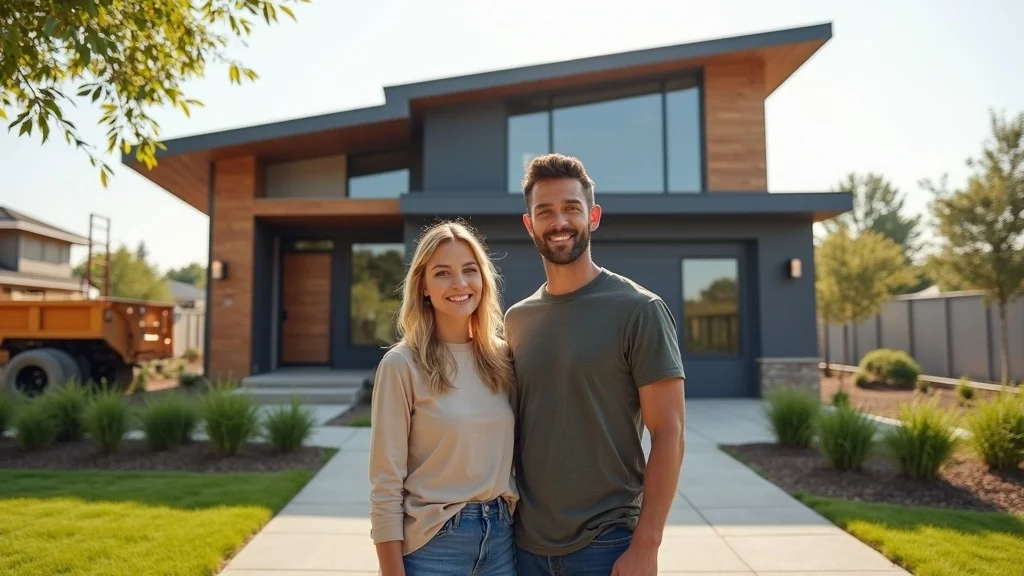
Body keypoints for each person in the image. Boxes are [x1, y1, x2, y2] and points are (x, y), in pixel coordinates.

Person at [504, 153, 687, 576]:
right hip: (524, 545)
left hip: (607, 544)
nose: (559, 222)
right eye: (545, 211)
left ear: (594, 216)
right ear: (529, 224)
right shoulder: (517, 320)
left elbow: (669, 433)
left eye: (571, 208)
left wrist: (647, 545)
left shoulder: (639, 310)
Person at [368, 220, 519, 576]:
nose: (459, 283)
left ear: (483, 278)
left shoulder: (504, 358)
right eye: (442, 273)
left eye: (469, 270)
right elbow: (385, 483)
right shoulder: (401, 365)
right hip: (434, 546)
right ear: (423, 285)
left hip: (501, 541)